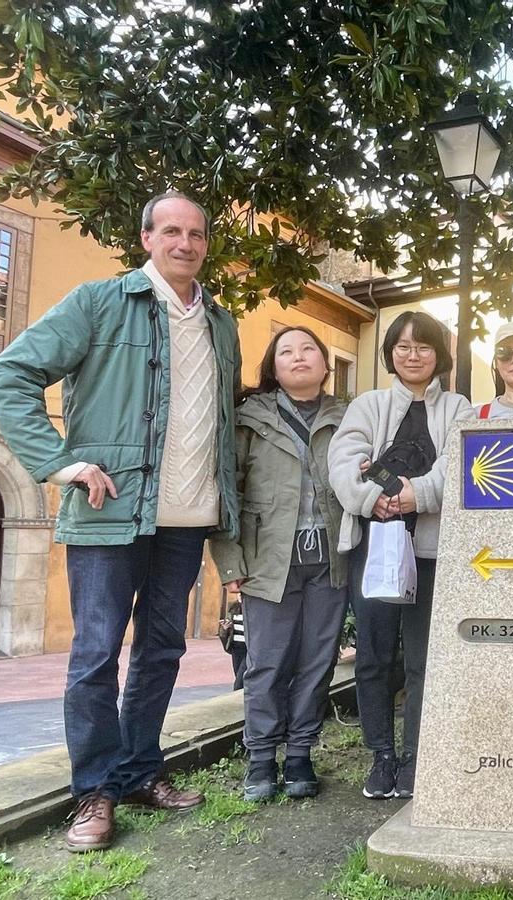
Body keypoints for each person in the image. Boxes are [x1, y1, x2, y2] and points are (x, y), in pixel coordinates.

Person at [0, 191, 240, 851]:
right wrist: (58, 462)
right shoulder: (100, 302)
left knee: (162, 651)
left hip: (187, 520)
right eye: (172, 231)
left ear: (204, 244)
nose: (185, 243)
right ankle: (94, 793)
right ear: (147, 238)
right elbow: (10, 375)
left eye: (196, 234)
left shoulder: (221, 321)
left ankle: (137, 772)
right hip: (109, 513)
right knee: (96, 654)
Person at [329, 311, 470, 800]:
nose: (414, 355)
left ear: (440, 354)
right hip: (375, 546)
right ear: (391, 352)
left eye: (424, 346)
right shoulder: (367, 405)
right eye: (404, 346)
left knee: (423, 657)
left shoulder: (459, 408)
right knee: (374, 654)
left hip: (432, 549)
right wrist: (378, 498)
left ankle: (415, 755)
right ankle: (381, 755)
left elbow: (462, 465)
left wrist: (413, 494)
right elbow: (345, 463)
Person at [210, 326, 349, 802]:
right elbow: (227, 492)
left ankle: (300, 754)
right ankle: (261, 758)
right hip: (268, 562)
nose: (298, 357)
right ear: (273, 365)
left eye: (308, 348)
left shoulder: (347, 418)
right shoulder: (248, 419)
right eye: (286, 350)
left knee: (317, 661)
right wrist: (230, 563)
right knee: (266, 662)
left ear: (325, 364)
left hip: (331, 561)